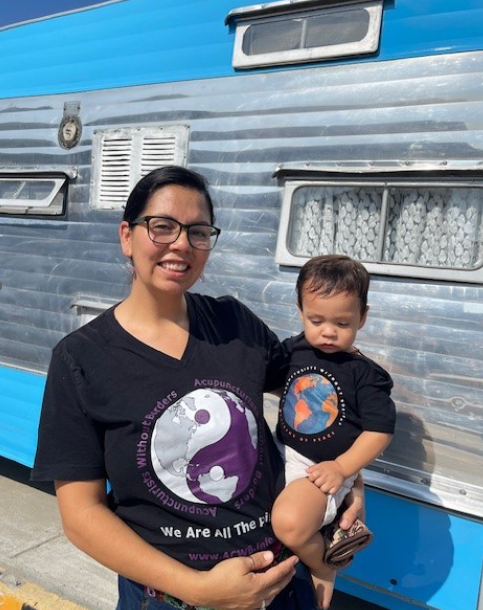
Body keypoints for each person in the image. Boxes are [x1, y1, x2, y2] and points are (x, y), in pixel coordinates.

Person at [32, 167, 363, 610]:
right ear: (127, 237)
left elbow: (315, 402)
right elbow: (81, 515)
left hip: (281, 583)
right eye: (162, 227)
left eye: (198, 231)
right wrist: (195, 588)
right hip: (171, 601)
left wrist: (347, 479)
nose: (182, 244)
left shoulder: (233, 323)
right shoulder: (82, 358)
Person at [271, 255, 396, 610]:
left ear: (363, 317)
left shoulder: (366, 375)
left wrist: (343, 469)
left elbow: (379, 431)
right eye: (316, 319)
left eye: (342, 322)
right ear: (300, 311)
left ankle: (325, 563)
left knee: (290, 524)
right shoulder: (295, 349)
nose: (328, 331)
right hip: (283, 452)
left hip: (325, 468)